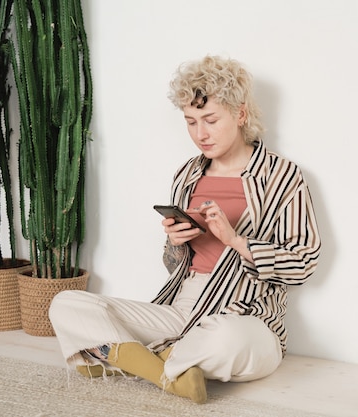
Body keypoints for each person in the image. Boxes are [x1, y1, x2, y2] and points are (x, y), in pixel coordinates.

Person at [48, 55, 321, 404]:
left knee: (226, 340)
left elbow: (304, 263)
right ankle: (169, 371)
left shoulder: (283, 177)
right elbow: (177, 265)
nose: (200, 134)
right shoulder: (188, 174)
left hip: (245, 315)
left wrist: (235, 240)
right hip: (182, 308)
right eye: (191, 122)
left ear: (240, 114)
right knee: (67, 303)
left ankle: (124, 357)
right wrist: (175, 243)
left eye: (210, 120)